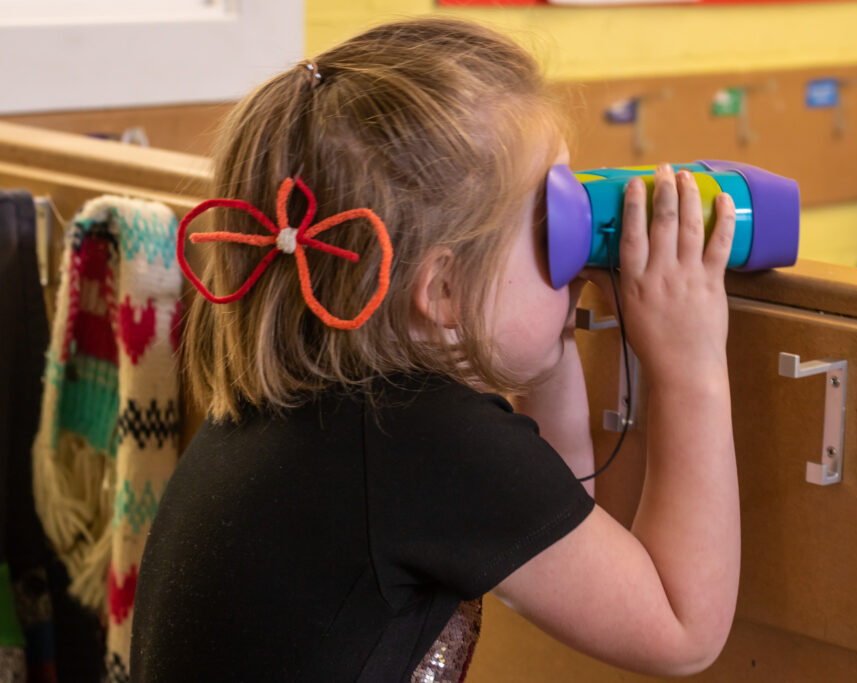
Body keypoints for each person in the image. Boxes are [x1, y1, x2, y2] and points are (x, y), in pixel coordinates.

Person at [130, 16, 740, 682]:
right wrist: (691, 361)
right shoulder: (419, 441)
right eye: (550, 224)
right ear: (444, 290)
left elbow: (555, 506)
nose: (577, 249)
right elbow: (683, 629)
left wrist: (551, 331)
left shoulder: (323, 416)